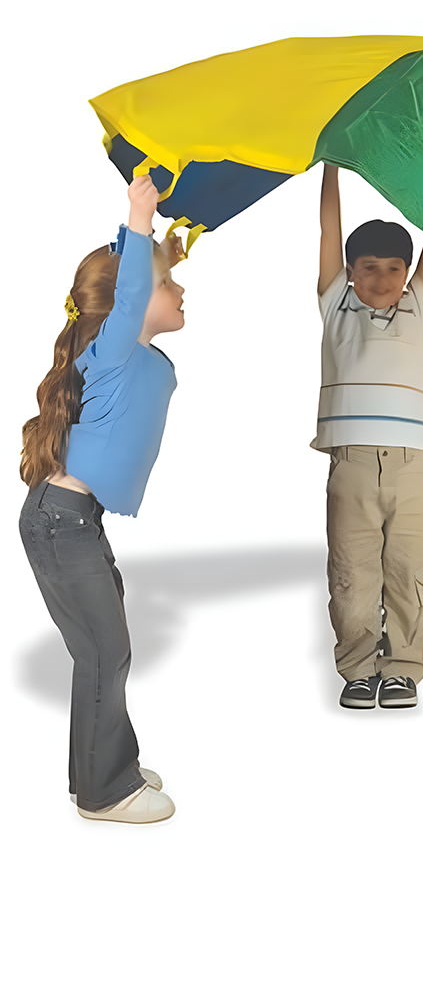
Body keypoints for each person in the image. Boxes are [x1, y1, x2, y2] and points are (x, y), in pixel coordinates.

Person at [19, 174, 186, 823]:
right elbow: (133, 287)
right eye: (168, 285)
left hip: (71, 520)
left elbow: (136, 284)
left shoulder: (125, 352)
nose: (180, 292)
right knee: (104, 652)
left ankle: (97, 766)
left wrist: (156, 245)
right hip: (61, 523)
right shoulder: (114, 350)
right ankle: (105, 791)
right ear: (131, 302)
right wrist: (139, 219)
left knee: (103, 650)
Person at [314, 164, 423, 709]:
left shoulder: (417, 305)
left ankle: (403, 668)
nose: (384, 280)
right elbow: (328, 230)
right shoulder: (337, 307)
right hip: (353, 463)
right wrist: (332, 168)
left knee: (411, 568)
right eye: (369, 268)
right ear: (349, 271)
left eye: (396, 269)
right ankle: (358, 668)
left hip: (413, 464)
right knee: (352, 570)